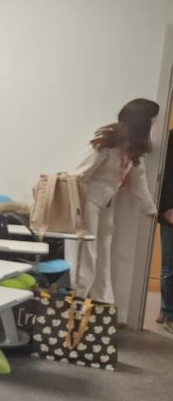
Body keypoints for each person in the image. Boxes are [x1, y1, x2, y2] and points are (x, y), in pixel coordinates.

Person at [70, 98, 160, 304]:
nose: (153, 125)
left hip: (106, 204)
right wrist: (71, 204)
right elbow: (80, 174)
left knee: (103, 255)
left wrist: (150, 209)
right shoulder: (107, 142)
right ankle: (78, 301)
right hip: (87, 202)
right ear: (142, 121)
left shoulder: (133, 149)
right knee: (88, 255)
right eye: (152, 121)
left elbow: (139, 182)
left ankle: (100, 304)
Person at [158, 130, 173, 332]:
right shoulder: (171, 138)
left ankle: (165, 309)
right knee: (170, 266)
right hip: (171, 212)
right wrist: (167, 208)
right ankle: (169, 313)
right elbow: (166, 175)